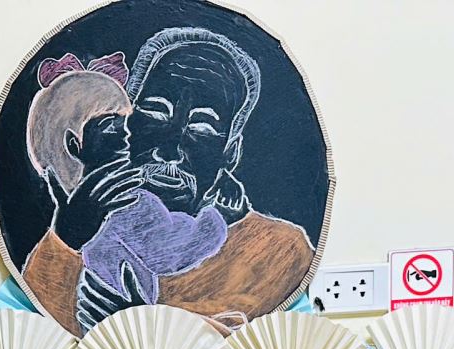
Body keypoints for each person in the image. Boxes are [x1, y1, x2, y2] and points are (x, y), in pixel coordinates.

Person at [24, 26, 316, 333]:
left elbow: (275, 347)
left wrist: (148, 328)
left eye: (202, 127)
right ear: (127, 123)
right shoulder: (74, 235)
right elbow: (34, 331)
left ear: (230, 152)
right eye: (154, 113)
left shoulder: (280, 252)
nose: (168, 152)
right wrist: (68, 238)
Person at [23, 51, 227, 307]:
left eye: (128, 123)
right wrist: (215, 219)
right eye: (112, 126)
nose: (127, 134)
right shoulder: (121, 196)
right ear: (74, 145)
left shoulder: (80, 197)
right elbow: (172, 252)